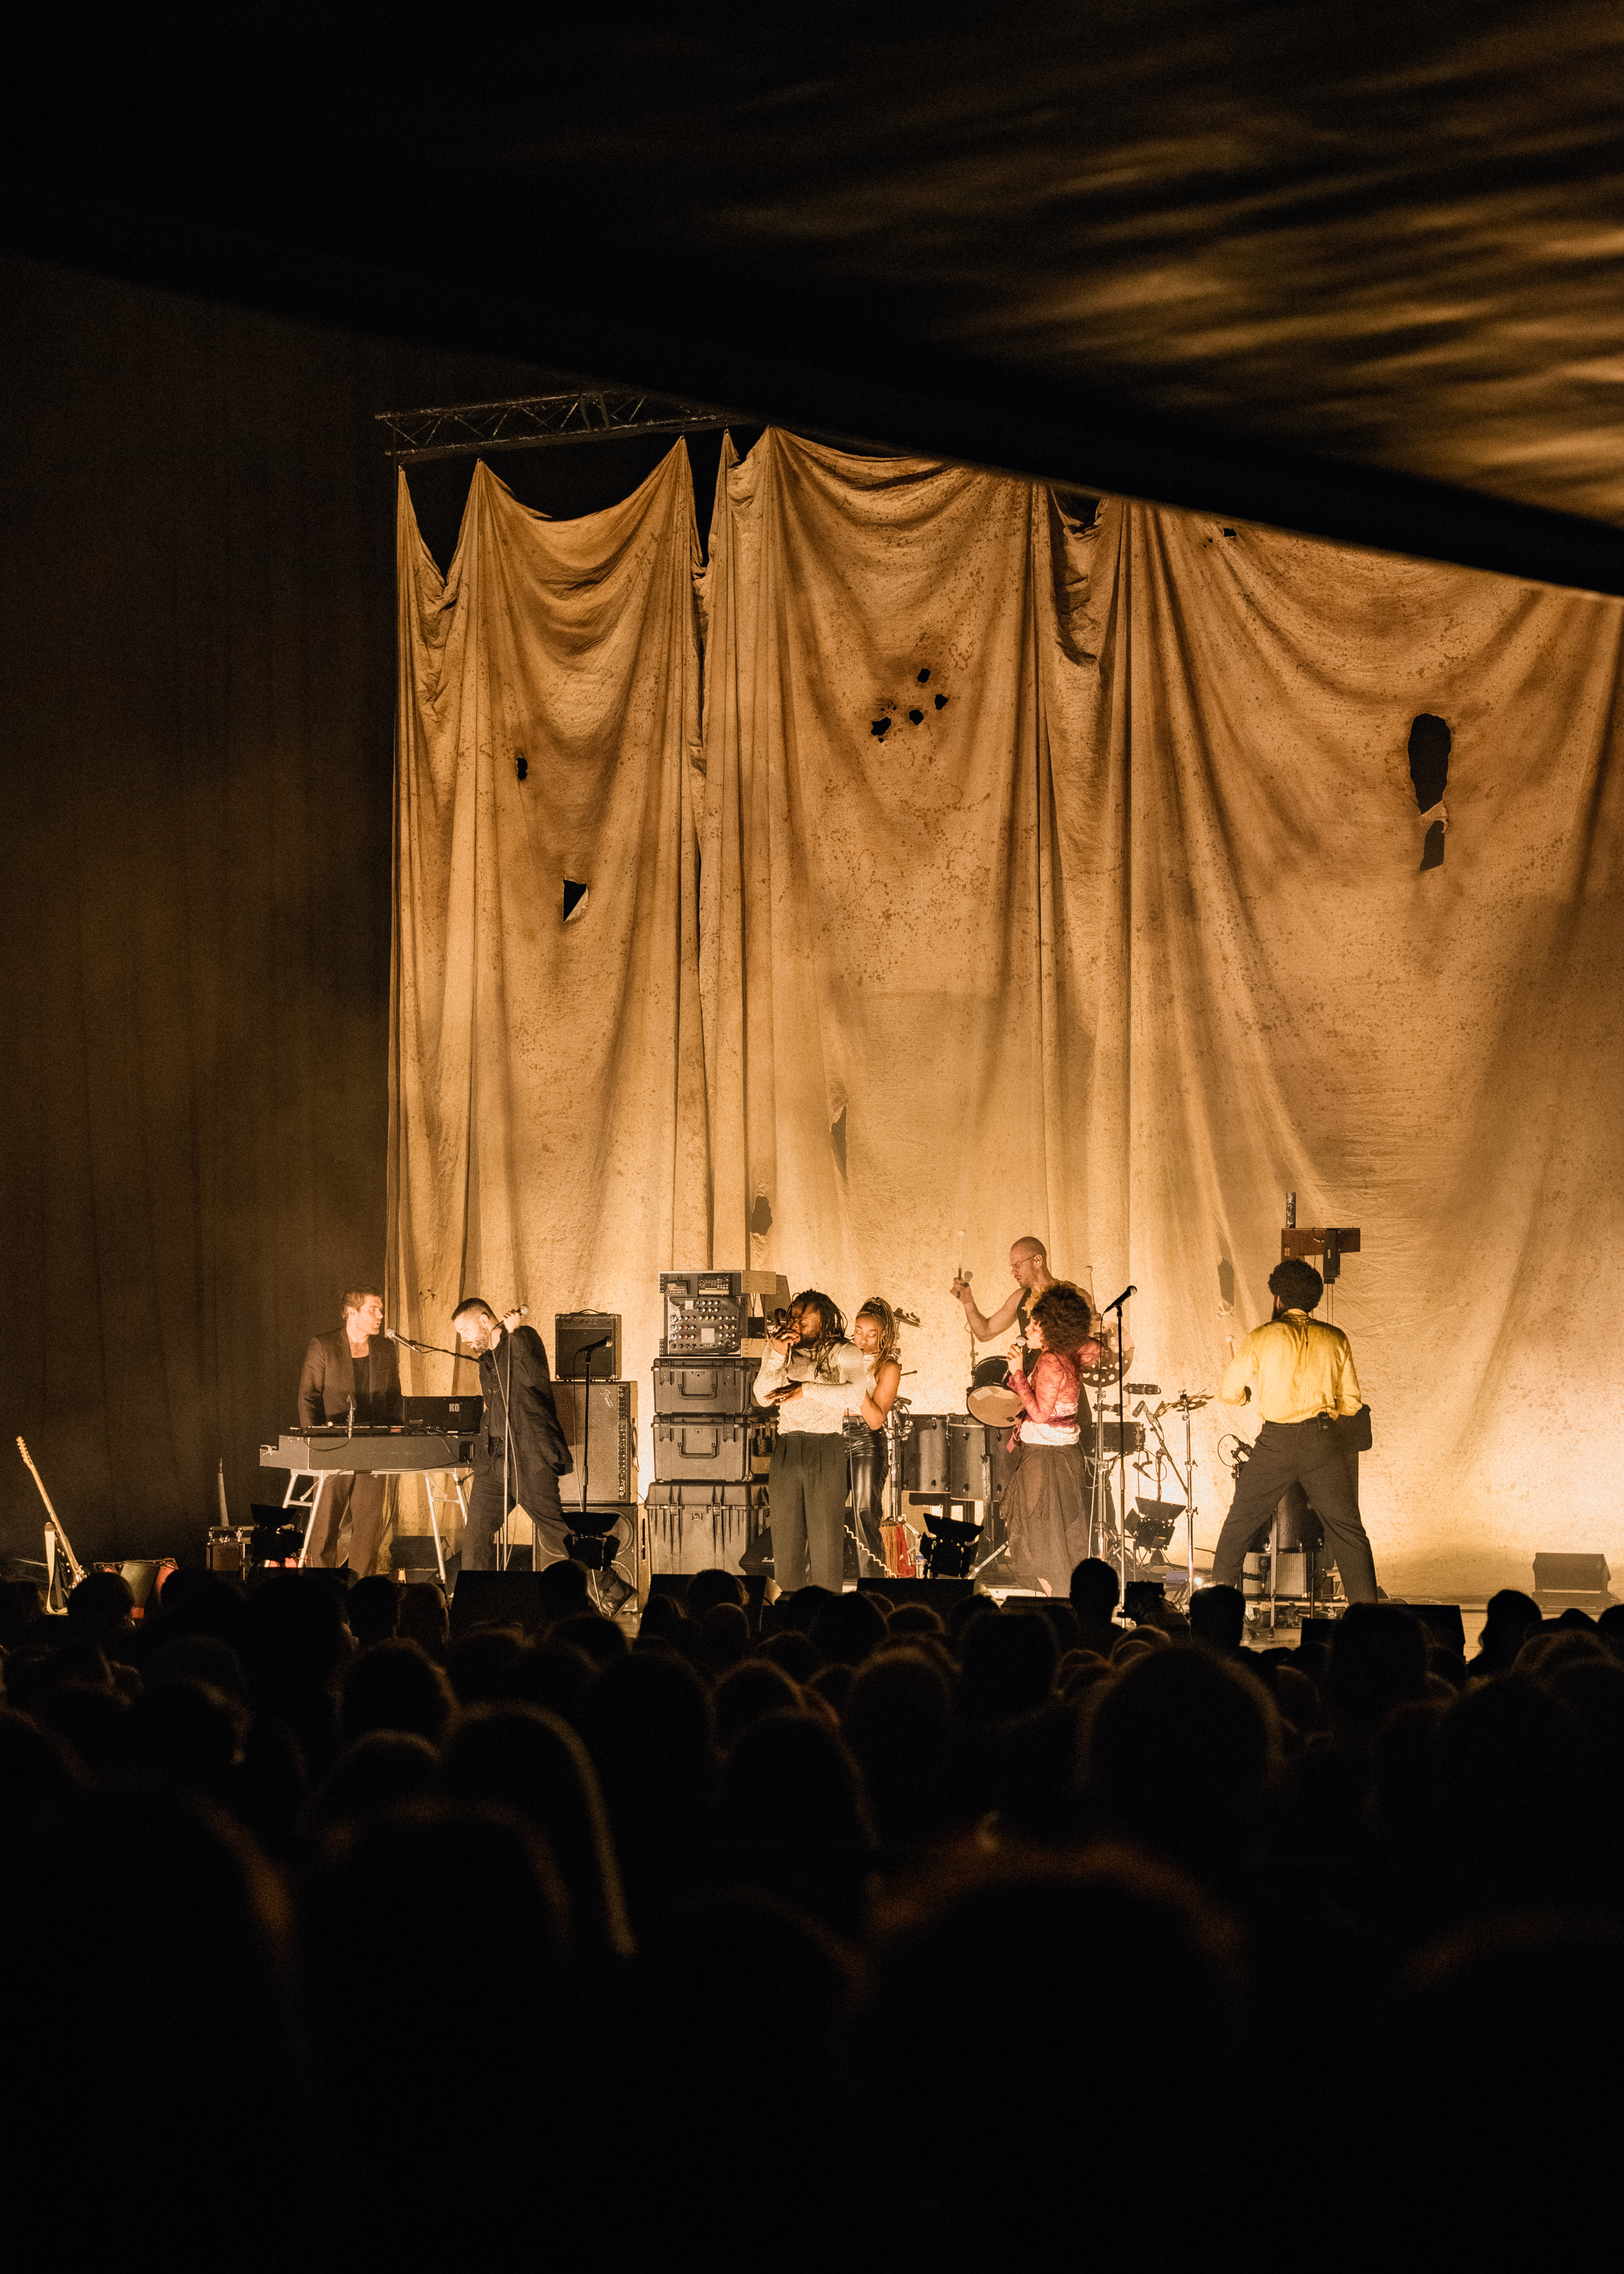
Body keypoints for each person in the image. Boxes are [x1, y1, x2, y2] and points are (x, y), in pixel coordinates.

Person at [1209, 1258, 1377, 1604]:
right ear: (1314, 1301)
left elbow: (1228, 1391)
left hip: (1276, 1443)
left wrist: (1245, 1398)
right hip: (1321, 1441)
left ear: (1279, 1299)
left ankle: (1215, 1610)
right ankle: (1369, 1617)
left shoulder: (1262, 1336)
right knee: (1348, 1532)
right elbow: (1352, 1404)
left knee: (1240, 1525)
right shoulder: (1336, 1338)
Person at [754, 1291, 866, 1593]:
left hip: (825, 1446)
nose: (796, 1323)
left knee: (825, 1540)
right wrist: (776, 1354)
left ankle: (827, 1610)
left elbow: (855, 1395)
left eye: (804, 1319)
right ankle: (790, 1609)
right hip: (788, 1447)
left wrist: (806, 1389)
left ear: (824, 1320)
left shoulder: (845, 1351)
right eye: (793, 1316)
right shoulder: (781, 1348)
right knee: (786, 1538)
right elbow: (762, 1397)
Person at [451, 1299, 573, 1574]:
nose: (464, 1339)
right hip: (494, 1461)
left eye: (465, 1330)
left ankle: (611, 1587)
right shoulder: (486, 1361)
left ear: (484, 1321)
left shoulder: (524, 1339)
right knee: (476, 1537)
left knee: (557, 1532)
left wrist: (515, 1334)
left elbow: (533, 1376)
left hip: (528, 1460)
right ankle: (475, 1604)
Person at [297, 1288, 403, 1579]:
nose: (380, 1316)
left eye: (380, 1310)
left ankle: (363, 1591)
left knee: (369, 1527)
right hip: (334, 1447)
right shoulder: (324, 1345)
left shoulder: (385, 1349)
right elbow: (308, 1396)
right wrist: (316, 1441)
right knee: (326, 1524)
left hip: (374, 1447)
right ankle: (323, 1590)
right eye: (374, 1310)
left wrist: (396, 1436)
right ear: (352, 1313)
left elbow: (395, 1396)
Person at [998, 1282, 1096, 1596]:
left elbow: (1039, 1414)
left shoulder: (1052, 1361)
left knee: (1040, 1534)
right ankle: (1062, 1598)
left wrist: (1016, 1373)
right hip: (1063, 1454)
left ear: (1051, 1329)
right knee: (1058, 1535)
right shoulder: (1067, 1353)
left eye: (1035, 1325)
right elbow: (1096, 1349)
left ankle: (1056, 1600)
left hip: (1045, 1457)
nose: (1027, 1327)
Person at [846, 1297, 903, 1577]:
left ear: (883, 1337)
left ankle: (872, 1585)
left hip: (865, 1441)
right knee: (825, 1512)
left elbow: (875, 1418)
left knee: (863, 1512)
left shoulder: (888, 1367)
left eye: (871, 1334)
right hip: (831, 1435)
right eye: (858, 1331)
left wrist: (854, 1377)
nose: (862, 1340)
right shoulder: (842, 1358)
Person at [950, 1235, 1058, 1343]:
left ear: (1037, 1261)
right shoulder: (1020, 1298)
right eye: (1012, 1266)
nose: (1013, 1272)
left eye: (1017, 1265)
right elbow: (985, 1333)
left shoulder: (1070, 1294)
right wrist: (968, 1301)